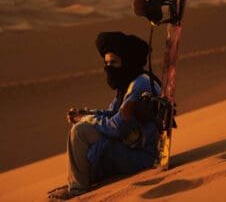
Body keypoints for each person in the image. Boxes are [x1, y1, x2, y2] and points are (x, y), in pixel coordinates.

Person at [49, 32, 160, 200]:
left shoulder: (140, 84)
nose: (108, 67)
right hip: (129, 150)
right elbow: (112, 113)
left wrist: (85, 120)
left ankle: (77, 190)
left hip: (141, 157)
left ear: (126, 61)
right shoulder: (129, 82)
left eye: (113, 62)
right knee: (84, 128)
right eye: (106, 63)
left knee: (80, 132)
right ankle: (78, 181)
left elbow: (117, 127)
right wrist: (87, 114)